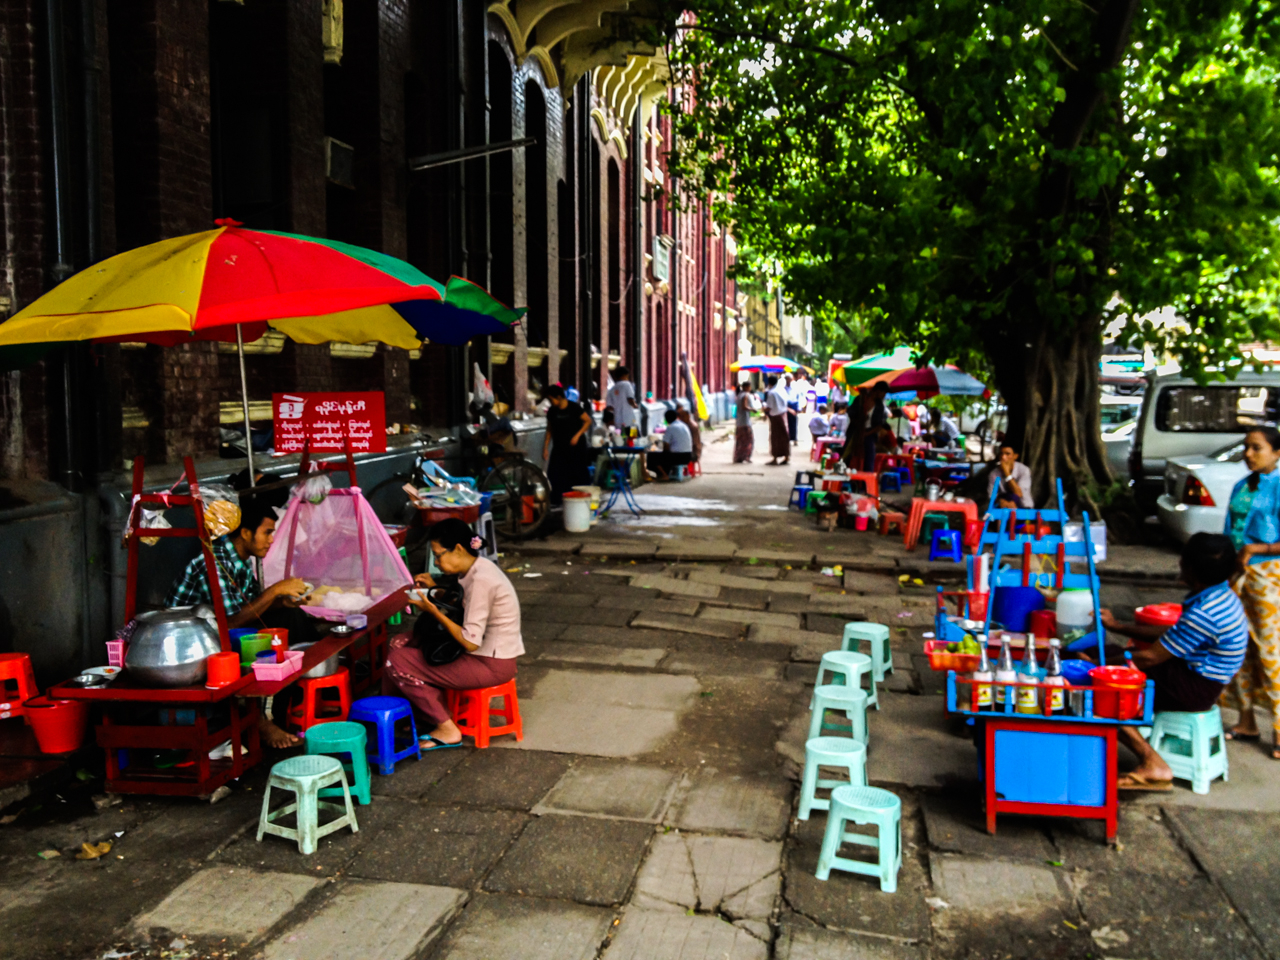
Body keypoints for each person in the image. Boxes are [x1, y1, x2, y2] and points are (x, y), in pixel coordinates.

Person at [1098, 533, 1248, 789]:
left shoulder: (1205, 613)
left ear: (1190, 568)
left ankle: (1153, 764)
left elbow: (1149, 657)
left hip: (1194, 689)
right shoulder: (1220, 595)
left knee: (1104, 690)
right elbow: (1174, 634)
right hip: (1199, 679)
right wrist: (1118, 627)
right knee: (1110, 654)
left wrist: (1102, 666)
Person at [165, 494, 312, 749]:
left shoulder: (240, 561)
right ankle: (259, 718)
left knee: (291, 617)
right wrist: (276, 590)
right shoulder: (217, 561)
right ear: (245, 532)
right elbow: (230, 623)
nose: (271, 540)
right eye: (266, 533)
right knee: (263, 639)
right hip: (185, 644)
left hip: (217, 632)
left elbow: (253, 606)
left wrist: (282, 601)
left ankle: (283, 706)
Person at [385, 519, 524, 749]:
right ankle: (416, 715)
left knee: (397, 660)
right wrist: (435, 590)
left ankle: (447, 729)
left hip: (489, 662)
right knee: (400, 642)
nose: (436, 563)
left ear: (458, 549)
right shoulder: (475, 568)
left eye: (438, 556)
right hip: (483, 653)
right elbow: (463, 605)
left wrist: (433, 610)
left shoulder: (482, 580)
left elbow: (470, 642)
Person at [1220, 426, 1280, 756]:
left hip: (1271, 579)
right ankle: (1246, 721)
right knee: (1239, 649)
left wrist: (1259, 548)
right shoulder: (1242, 486)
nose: (1248, 454)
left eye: (1257, 448)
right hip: (1239, 577)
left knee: (1272, 653)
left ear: (1277, 453)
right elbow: (1231, 533)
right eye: (1246, 447)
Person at [541, 384, 593, 503]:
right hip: (559, 447)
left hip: (576, 447)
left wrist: (577, 435)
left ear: (559, 397)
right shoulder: (552, 411)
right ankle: (558, 500)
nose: (550, 402)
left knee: (577, 473)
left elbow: (588, 421)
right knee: (555, 474)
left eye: (551, 399)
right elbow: (549, 429)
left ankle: (580, 499)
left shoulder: (574, 408)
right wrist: (545, 447)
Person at [648, 409, 694, 480]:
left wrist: (656, 447)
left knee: (652, 455)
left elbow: (666, 446)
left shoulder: (671, 427)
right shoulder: (684, 425)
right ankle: (668, 472)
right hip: (688, 456)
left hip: (679, 457)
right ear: (676, 417)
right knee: (665, 455)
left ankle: (664, 475)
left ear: (666, 419)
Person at [987, 442, 1034, 509]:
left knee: (1014, 497)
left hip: (1023, 506)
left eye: (1007, 454)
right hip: (1003, 506)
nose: (1003, 457)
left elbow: (1019, 493)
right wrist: (1002, 502)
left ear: (1015, 456)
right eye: (1001, 453)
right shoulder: (994, 473)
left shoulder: (1024, 470)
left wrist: (1007, 473)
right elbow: (991, 495)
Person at [764, 374, 791, 465]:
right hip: (783, 414)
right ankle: (786, 456)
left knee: (775, 437)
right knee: (784, 436)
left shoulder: (771, 393)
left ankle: (775, 458)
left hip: (775, 416)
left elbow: (769, 407)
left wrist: (763, 410)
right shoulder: (782, 390)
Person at [605, 366, 639, 435]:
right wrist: (635, 405)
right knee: (632, 439)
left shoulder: (611, 389)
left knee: (621, 440)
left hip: (618, 421)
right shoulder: (627, 384)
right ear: (625, 375)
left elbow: (609, 407)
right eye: (627, 376)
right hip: (629, 420)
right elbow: (630, 399)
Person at [733, 381, 756, 463]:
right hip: (745, 421)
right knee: (748, 440)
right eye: (749, 387)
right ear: (746, 387)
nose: (750, 389)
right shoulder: (746, 395)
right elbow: (744, 406)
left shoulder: (739, 395)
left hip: (739, 421)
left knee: (740, 440)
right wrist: (752, 409)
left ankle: (738, 457)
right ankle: (746, 456)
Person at [784, 373, 800, 441]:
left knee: (794, 422)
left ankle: (794, 438)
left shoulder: (795, 387)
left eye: (789, 379)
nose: (788, 380)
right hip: (786, 405)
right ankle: (787, 437)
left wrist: (799, 407)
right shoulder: (783, 388)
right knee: (786, 422)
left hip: (794, 405)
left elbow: (798, 397)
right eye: (786, 379)